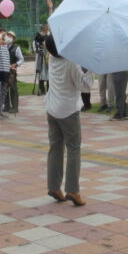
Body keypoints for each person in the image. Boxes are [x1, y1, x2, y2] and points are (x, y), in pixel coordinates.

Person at [44, 34, 88, 206]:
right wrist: (90, 69)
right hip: (68, 110)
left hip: (52, 108)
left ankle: (54, 186)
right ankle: (73, 190)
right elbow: (83, 85)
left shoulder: (52, 59)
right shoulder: (71, 62)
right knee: (73, 149)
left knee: (55, 147)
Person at [5, 31, 24, 114]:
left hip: (12, 71)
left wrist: (16, 64)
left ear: (14, 39)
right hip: (3, 70)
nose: (9, 37)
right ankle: (6, 106)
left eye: (11, 36)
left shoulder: (16, 48)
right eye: (8, 35)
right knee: (4, 88)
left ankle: (15, 107)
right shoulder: (2, 46)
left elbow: (21, 59)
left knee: (13, 88)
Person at [33, 24, 50, 95]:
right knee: (41, 72)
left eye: (46, 29)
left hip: (48, 56)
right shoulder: (38, 37)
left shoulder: (49, 36)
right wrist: (39, 47)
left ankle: (49, 90)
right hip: (40, 57)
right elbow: (35, 46)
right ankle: (42, 89)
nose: (45, 31)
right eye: (44, 29)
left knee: (49, 73)